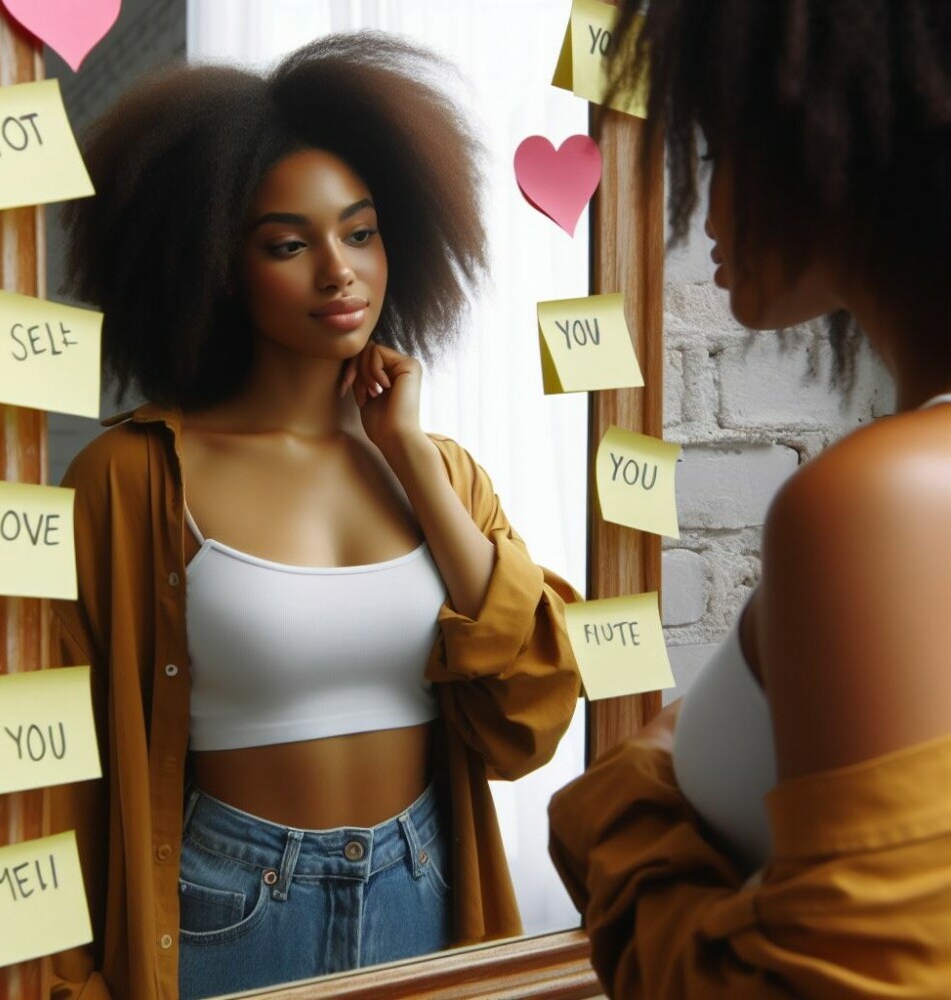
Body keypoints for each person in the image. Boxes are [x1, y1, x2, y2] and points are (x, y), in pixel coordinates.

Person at [47, 32, 580, 1000]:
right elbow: (62, 761)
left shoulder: (443, 473)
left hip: (427, 886)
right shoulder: (126, 480)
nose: (339, 271)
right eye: (288, 244)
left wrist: (409, 454)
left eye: (361, 231)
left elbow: (527, 716)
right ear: (216, 264)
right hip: (227, 907)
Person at [549, 2, 951, 997]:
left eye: (721, 145)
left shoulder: (881, 500)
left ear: (838, 136)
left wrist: (626, 802)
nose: (706, 207)